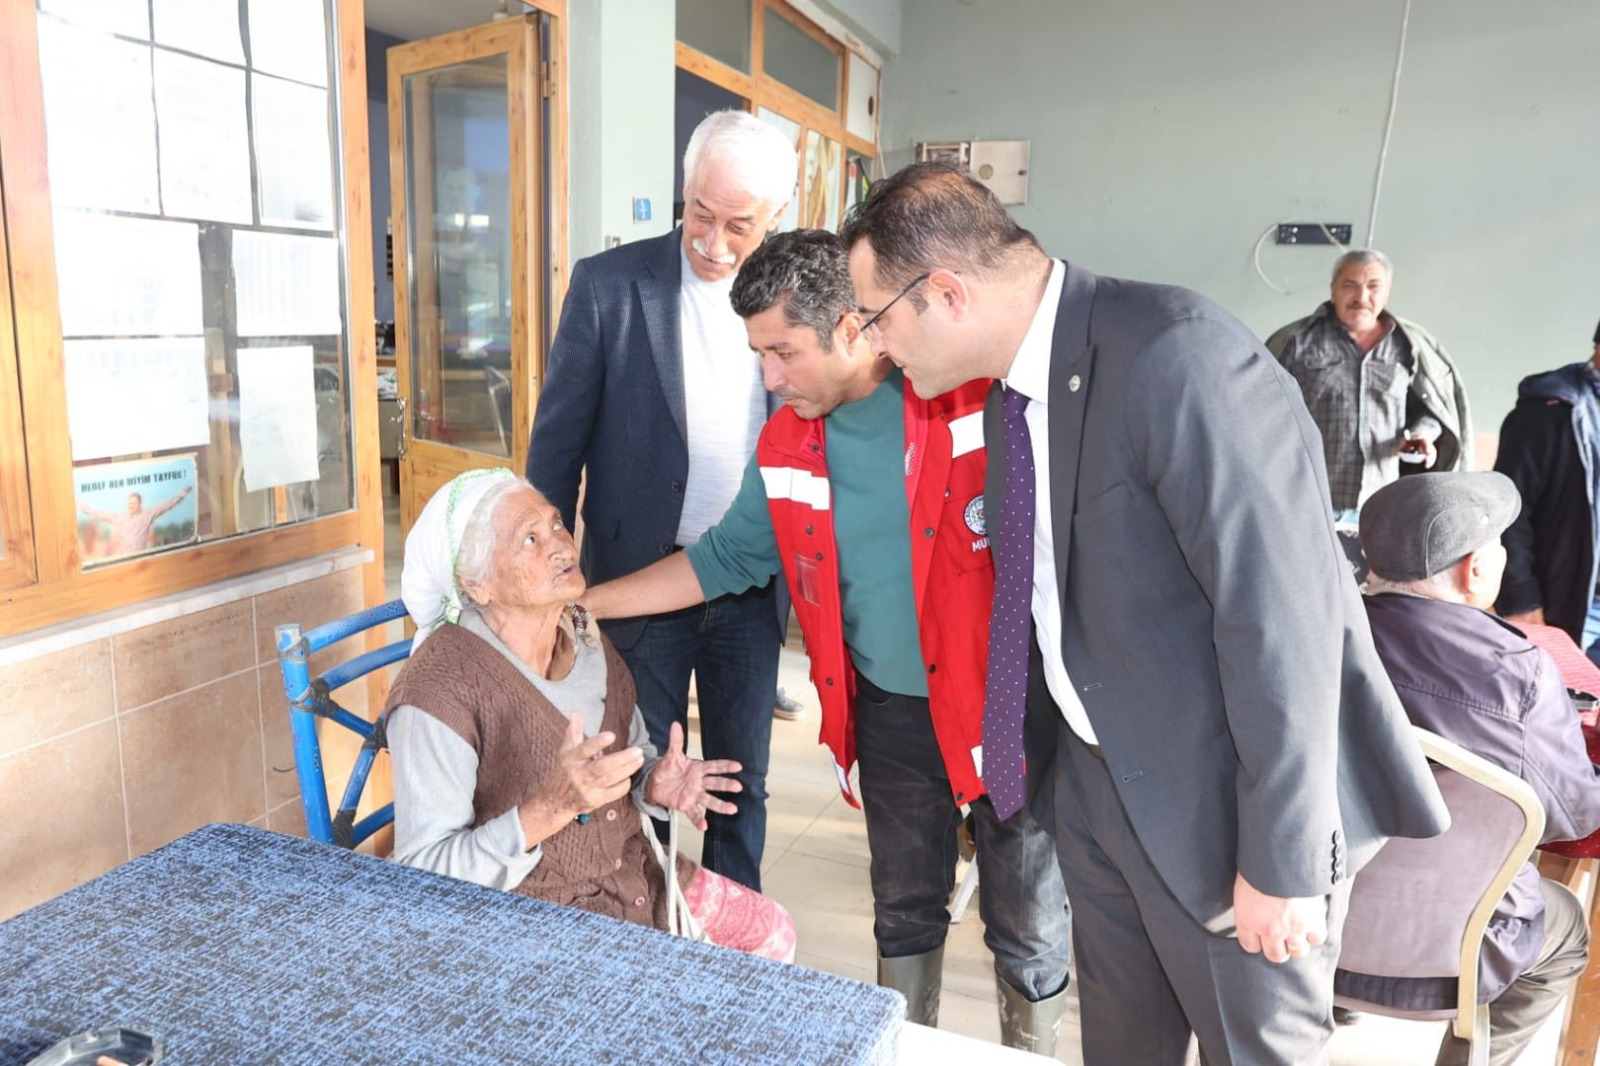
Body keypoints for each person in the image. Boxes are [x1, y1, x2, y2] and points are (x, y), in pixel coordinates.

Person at [840, 162, 1449, 1065]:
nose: (876, 346)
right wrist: (1048, 786)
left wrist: (1282, 859)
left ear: (948, 293)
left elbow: (1283, 614)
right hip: (1097, 787)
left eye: (876, 317)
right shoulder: (1015, 395)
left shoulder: (1177, 354)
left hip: (1228, 806)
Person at [580, 230, 1072, 1054]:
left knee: (1026, 923)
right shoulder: (788, 441)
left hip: (1006, 709)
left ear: (851, 327)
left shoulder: (968, 399)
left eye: (784, 353)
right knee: (904, 909)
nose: (770, 378)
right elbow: (723, 559)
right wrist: (582, 603)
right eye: (760, 357)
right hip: (891, 715)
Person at [525, 110, 799, 891]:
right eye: (700, 214)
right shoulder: (609, 286)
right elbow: (556, 449)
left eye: (740, 226)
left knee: (739, 781)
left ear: (776, 217)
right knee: (635, 775)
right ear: (684, 190)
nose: (714, 242)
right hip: (638, 577)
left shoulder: (793, 303)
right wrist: (543, 575)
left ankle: (736, 935)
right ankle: (645, 927)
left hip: (749, 587)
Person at [386, 468, 795, 962]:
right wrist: (549, 809)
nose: (561, 546)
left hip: (633, 881)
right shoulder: (439, 689)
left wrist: (652, 782)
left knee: (771, 931)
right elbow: (422, 874)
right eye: (530, 539)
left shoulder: (583, 633)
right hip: (534, 923)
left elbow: (632, 751)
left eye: (557, 524)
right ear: (476, 585)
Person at [1352, 471, 1600, 1066]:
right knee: (1566, 929)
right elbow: (1574, 818)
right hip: (1454, 952)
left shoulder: (1313, 638)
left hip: (1298, 920)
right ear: (1474, 570)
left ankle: (1335, 1005)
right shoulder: (1519, 673)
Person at [1266, 249, 1473, 522]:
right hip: (1308, 504)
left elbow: (1429, 411)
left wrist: (1422, 434)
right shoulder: (1294, 342)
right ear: (1333, 289)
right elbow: (1262, 416)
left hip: (1383, 507)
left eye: (1373, 286)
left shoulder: (1409, 346)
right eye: (1350, 285)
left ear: (1387, 292)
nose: (1361, 297)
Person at [1494, 318, 1600, 666]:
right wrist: (1521, 598)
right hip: (1569, 607)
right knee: (1565, 698)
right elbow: (1508, 510)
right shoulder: (1547, 411)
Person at [78, 485, 193, 557]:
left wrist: (182, 494)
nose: (131, 505)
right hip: (124, 558)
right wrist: (85, 508)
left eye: (133, 503)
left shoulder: (148, 515)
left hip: (141, 557)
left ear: (139, 503)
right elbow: (102, 514)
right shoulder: (121, 517)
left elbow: (167, 505)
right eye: (129, 503)